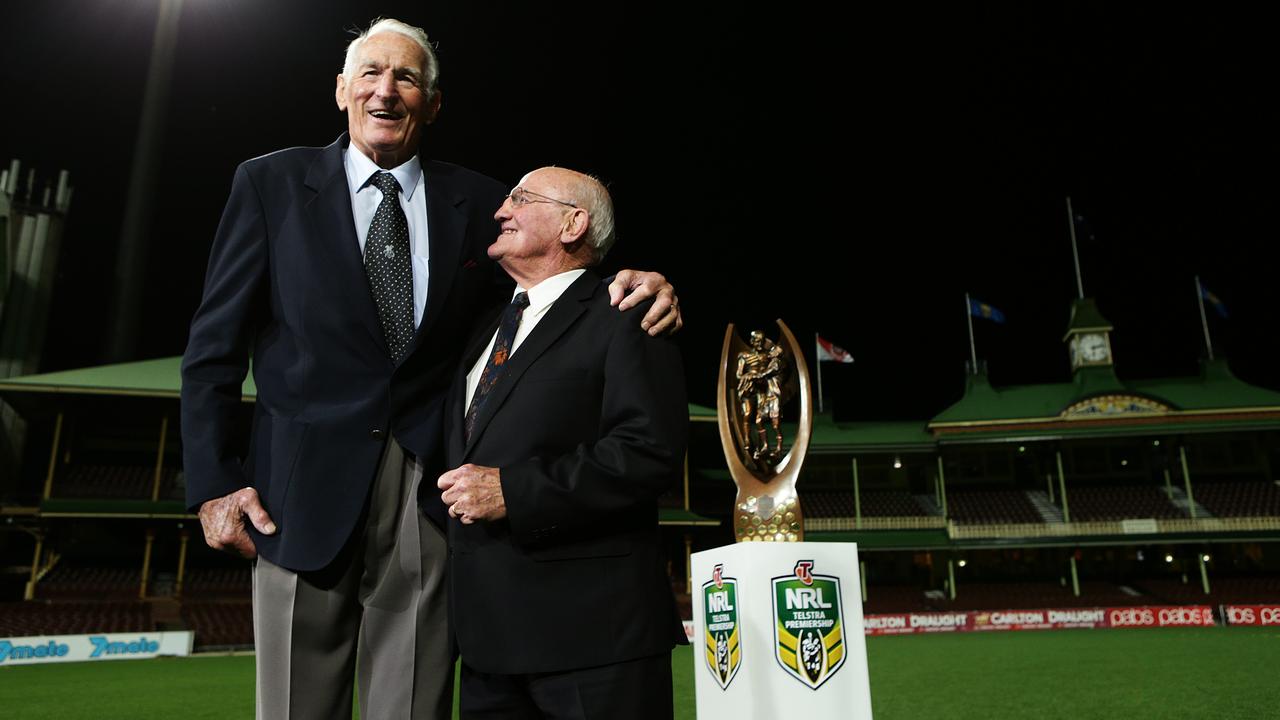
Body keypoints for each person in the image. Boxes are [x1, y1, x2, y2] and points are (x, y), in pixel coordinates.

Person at [179, 18, 680, 720]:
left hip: (431, 493)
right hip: (297, 490)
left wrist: (642, 282)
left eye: (407, 77)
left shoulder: (479, 204)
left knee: (412, 706)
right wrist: (213, 481)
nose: (387, 90)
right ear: (341, 89)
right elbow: (212, 348)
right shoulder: (270, 183)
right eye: (372, 74)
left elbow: (554, 276)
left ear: (433, 104)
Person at [437, 167, 688, 719]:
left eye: (520, 199)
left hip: (595, 640)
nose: (501, 211)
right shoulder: (483, 330)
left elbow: (648, 452)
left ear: (573, 223)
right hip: (488, 649)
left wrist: (514, 491)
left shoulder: (626, 311)